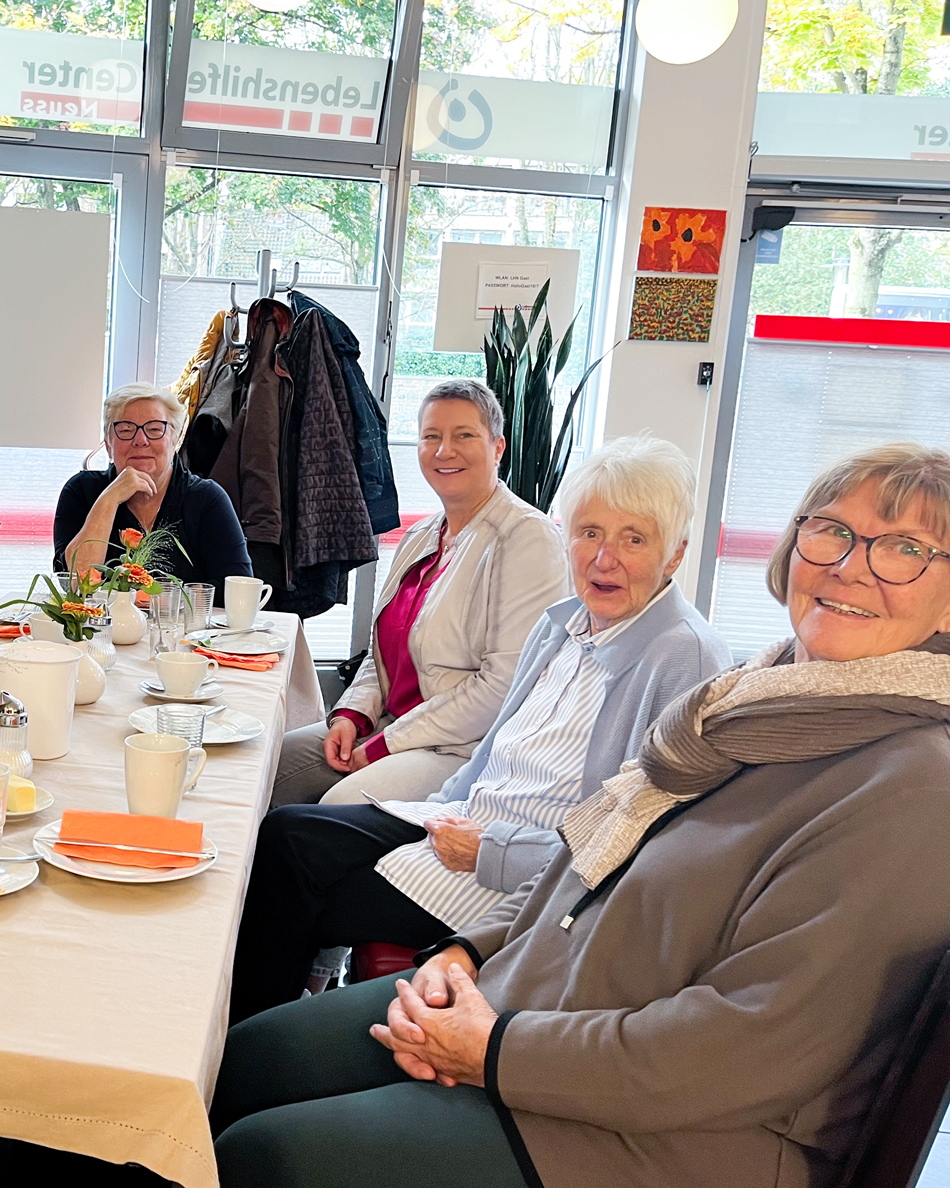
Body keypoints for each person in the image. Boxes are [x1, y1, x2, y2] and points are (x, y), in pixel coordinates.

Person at [213, 442, 950, 1188]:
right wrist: (469, 951)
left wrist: (492, 1050)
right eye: (832, 531)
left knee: (261, 1156)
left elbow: (744, 1050)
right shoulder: (750, 703)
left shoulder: (912, 782)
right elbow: (595, 859)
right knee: (251, 1059)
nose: (851, 566)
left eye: (908, 549)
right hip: (547, 996)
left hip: (659, 1135)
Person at [228, 435, 732, 1022]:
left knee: (294, 886)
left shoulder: (684, 659)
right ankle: (238, 1035)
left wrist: (489, 850)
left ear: (674, 555)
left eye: (634, 539)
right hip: (466, 822)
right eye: (590, 532)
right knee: (287, 831)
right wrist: (433, 813)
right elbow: (498, 751)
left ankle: (240, 1051)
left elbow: (639, 848)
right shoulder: (564, 622)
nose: (603, 558)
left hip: (523, 882)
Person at [272, 379, 569, 807]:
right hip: (392, 724)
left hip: (462, 748)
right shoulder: (420, 536)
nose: (444, 450)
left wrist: (385, 743)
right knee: (261, 768)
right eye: (432, 436)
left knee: (336, 809)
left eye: (464, 435)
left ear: (498, 446)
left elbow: (503, 685)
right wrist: (353, 715)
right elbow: (383, 654)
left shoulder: (526, 538)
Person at [53, 382, 252, 601]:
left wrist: (151, 598)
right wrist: (108, 500)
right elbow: (75, 584)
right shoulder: (81, 491)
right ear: (108, 445)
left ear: (175, 440)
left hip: (185, 633)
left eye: (155, 429)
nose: (141, 440)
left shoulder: (207, 498)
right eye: (126, 430)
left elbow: (237, 590)